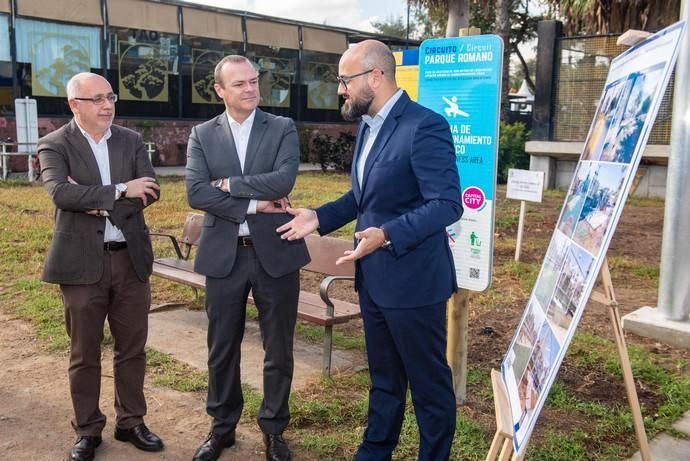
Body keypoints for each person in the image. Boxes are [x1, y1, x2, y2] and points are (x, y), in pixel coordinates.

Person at [277, 40, 462, 461]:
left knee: (429, 388)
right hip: (375, 283)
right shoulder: (369, 127)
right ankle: (375, 451)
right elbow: (365, 197)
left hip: (415, 283)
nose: (341, 89)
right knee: (384, 380)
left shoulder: (424, 126)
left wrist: (388, 234)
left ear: (375, 77)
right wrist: (319, 218)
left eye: (345, 80)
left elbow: (447, 203)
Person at [185, 55, 309, 461]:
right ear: (220, 90)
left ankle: (274, 429)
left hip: (276, 251)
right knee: (222, 347)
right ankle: (222, 428)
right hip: (224, 255)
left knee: (279, 348)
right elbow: (196, 193)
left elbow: (283, 180)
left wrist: (228, 185)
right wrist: (255, 205)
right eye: (239, 84)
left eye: (254, 81)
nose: (251, 89)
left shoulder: (281, 128)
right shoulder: (202, 135)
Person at [38, 72, 163, 461]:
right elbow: (60, 192)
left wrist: (91, 200)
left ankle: (131, 422)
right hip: (80, 267)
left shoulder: (130, 140)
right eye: (97, 99)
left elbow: (152, 191)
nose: (107, 105)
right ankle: (88, 429)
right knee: (84, 352)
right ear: (75, 104)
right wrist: (122, 189)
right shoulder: (54, 144)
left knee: (132, 349)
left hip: (130, 260)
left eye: (111, 97)